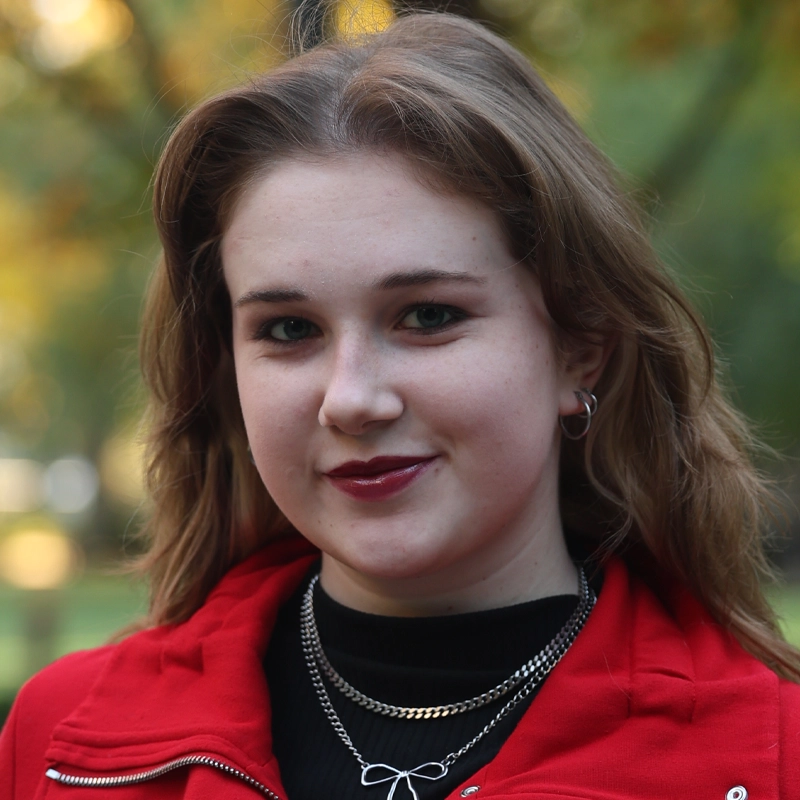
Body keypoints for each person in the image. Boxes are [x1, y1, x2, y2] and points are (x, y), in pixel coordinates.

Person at [2, 10, 799, 800]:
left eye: (427, 316)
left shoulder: (772, 757)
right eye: (288, 329)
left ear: (578, 345)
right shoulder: (60, 741)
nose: (352, 399)